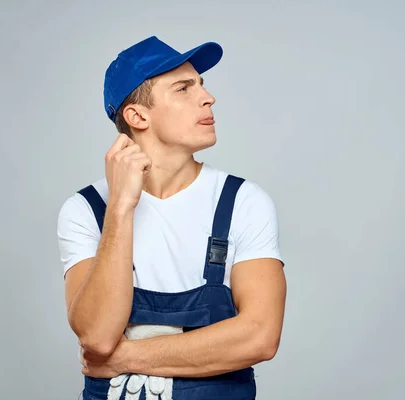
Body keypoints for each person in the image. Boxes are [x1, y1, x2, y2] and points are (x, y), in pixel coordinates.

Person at [56, 35, 287, 400]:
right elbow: (97, 337)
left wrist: (125, 357)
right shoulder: (86, 210)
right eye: (183, 88)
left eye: (201, 85)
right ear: (137, 116)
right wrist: (119, 209)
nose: (207, 98)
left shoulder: (243, 201)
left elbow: (259, 336)